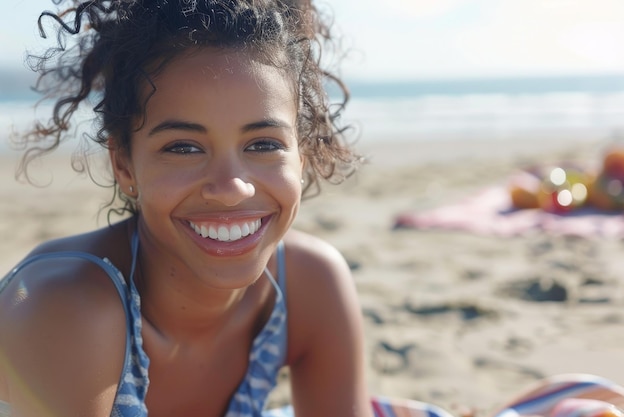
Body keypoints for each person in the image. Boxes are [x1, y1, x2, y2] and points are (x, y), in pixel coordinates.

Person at [0, 0, 373, 416]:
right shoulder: (68, 307)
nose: (231, 189)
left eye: (264, 144)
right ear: (123, 164)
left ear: (300, 158)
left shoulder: (309, 283)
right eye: (183, 147)